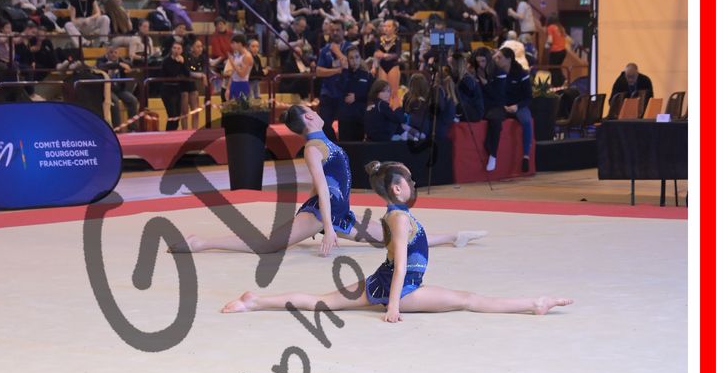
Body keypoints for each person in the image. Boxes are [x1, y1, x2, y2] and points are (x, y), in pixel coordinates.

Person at [221, 160, 569, 319]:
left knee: (322, 301)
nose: (413, 184)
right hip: (402, 289)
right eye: (410, 181)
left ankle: (256, 301)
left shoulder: (395, 214)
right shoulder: (399, 218)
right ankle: (533, 303)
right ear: (398, 189)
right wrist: (393, 307)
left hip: (386, 282)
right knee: (468, 299)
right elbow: (400, 265)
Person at [174, 105, 484, 257]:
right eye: (311, 110)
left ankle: (453, 237)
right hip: (322, 214)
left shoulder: (324, 143)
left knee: (388, 238)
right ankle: (201, 243)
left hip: (336, 213)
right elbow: (322, 189)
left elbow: (325, 184)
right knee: (269, 245)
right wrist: (326, 226)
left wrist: (332, 221)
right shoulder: (312, 148)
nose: (316, 111)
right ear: (308, 118)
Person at [483, 46, 533, 172]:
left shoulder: (522, 74)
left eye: (499, 58)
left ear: (509, 59)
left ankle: (526, 156)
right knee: (493, 119)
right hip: (502, 105)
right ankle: (492, 153)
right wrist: (502, 105)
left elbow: (528, 97)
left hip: (518, 105)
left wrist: (517, 106)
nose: (496, 60)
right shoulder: (495, 73)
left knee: (526, 121)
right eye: (495, 57)